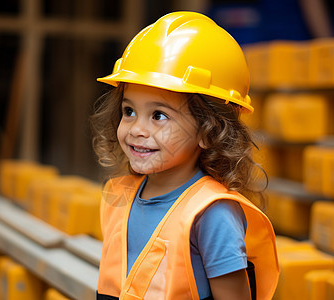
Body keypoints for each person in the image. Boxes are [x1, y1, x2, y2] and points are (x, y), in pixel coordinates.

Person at [91, 11, 279, 300]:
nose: (137, 128)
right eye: (129, 111)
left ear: (209, 131)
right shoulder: (120, 195)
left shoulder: (211, 215)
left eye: (158, 115)